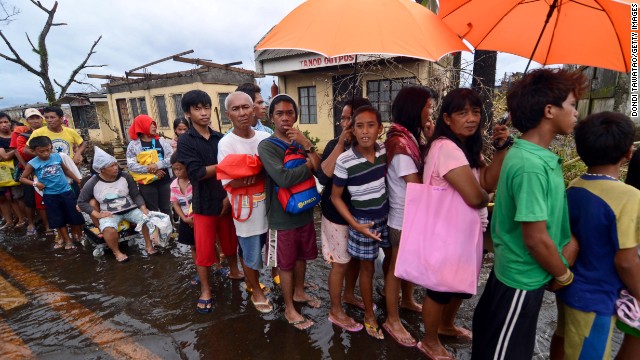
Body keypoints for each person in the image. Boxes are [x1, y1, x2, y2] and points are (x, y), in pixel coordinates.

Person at [471, 68, 587, 360]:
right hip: (521, 279)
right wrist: (563, 275)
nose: (576, 113)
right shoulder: (530, 166)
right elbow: (535, 238)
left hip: (520, 275)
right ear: (549, 110)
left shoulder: (529, 154)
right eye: (572, 105)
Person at [418, 88, 510, 358]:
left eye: (476, 112)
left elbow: (487, 181)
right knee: (439, 290)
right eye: (462, 113)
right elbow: (475, 196)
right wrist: (484, 195)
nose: (471, 118)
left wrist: (501, 148)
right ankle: (429, 340)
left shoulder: (466, 147)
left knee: (458, 285)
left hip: (466, 232)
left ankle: (446, 326)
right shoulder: (446, 148)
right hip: (446, 234)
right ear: (447, 118)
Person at [550, 112, 640, 360]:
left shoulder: (575, 185)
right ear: (628, 153)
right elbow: (626, 260)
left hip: (569, 285)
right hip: (596, 297)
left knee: (563, 337)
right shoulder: (629, 196)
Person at [258, 94, 321, 330]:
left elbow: (322, 168)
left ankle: (299, 292)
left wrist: (307, 146)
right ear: (272, 117)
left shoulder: (300, 142)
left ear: (296, 115)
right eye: (279, 114)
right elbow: (283, 179)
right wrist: (308, 165)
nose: (285, 118)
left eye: (290, 113)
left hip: (304, 211)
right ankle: (288, 307)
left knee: (302, 256)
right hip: (281, 217)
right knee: (285, 263)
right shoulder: (267, 146)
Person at [177, 90, 242, 314]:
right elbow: (196, 173)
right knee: (204, 250)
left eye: (206, 107)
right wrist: (229, 165)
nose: (204, 113)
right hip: (203, 204)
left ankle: (234, 271)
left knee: (229, 242)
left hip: (224, 198)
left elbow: (229, 172)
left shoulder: (220, 138)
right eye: (197, 109)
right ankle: (205, 290)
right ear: (187, 113)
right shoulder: (185, 141)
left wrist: (227, 194)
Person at [382, 86, 436, 347]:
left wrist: (429, 139)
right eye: (429, 107)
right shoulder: (400, 143)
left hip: (410, 215)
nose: (431, 111)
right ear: (415, 108)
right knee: (396, 269)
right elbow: (416, 184)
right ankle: (392, 320)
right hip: (403, 218)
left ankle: (406, 300)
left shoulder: (410, 138)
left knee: (404, 266)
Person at [332, 105, 390, 340]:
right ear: (352, 130)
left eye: (371, 125)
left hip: (387, 216)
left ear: (380, 129)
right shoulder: (345, 161)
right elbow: (336, 197)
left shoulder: (385, 151)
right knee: (366, 269)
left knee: (393, 260)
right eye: (359, 126)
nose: (365, 131)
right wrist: (355, 225)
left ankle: (390, 297)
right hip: (363, 222)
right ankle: (369, 314)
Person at [317, 97, 371, 333]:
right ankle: (336, 309)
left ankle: (349, 295)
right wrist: (341, 144)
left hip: (359, 215)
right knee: (339, 263)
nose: (346, 123)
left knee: (355, 259)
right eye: (343, 118)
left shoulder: (369, 147)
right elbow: (322, 176)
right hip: (336, 215)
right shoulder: (334, 145)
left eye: (352, 119)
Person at [218, 91, 272, 313]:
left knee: (268, 248)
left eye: (246, 107)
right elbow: (229, 182)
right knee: (250, 252)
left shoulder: (265, 139)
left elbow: (273, 172)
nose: (242, 113)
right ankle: (256, 290)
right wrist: (257, 172)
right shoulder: (226, 144)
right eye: (235, 109)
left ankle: (252, 282)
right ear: (227, 114)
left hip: (269, 207)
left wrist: (251, 174)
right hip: (246, 211)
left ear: (254, 109)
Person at [77, 147, 155, 262]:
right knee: (108, 229)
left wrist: (143, 208)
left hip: (130, 209)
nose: (116, 168)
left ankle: (149, 245)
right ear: (102, 169)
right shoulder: (93, 182)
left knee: (145, 219)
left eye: (116, 164)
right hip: (110, 213)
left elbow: (135, 194)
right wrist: (97, 215)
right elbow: (81, 201)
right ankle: (117, 252)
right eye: (112, 166)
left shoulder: (125, 176)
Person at [20, 136, 84, 250]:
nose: (46, 153)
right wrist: (36, 184)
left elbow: (66, 170)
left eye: (48, 150)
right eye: (41, 151)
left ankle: (77, 235)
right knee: (58, 219)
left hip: (66, 191)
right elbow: (23, 178)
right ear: (34, 151)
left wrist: (78, 181)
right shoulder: (32, 163)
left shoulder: (57, 157)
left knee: (74, 214)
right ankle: (67, 240)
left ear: (51, 148)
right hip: (50, 195)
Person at [126, 114, 173, 218]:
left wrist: (157, 165)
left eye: (154, 125)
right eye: (151, 124)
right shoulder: (133, 145)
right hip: (147, 183)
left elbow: (172, 158)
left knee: (166, 208)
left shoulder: (161, 141)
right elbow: (131, 165)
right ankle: (156, 232)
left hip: (164, 180)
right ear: (142, 126)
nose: (154, 127)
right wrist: (150, 169)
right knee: (152, 210)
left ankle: (169, 231)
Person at [12, 108, 49, 235]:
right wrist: (28, 167)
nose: (35, 121)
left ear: (41, 119)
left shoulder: (46, 133)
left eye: (37, 117)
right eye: (31, 118)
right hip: (31, 170)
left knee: (49, 196)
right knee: (30, 199)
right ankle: (31, 223)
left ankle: (50, 222)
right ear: (27, 121)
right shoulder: (23, 136)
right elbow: (21, 152)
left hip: (48, 168)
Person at [170, 152, 195, 277]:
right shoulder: (174, 185)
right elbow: (175, 204)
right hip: (186, 219)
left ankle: (217, 265)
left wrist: (193, 216)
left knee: (209, 244)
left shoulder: (195, 181)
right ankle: (200, 270)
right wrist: (184, 219)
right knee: (193, 246)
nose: (177, 172)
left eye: (180, 169)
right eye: (174, 169)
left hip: (198, 218)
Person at [0, 112, 26, 229]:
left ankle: (22, 218)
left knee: (19, 195)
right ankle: (11, 220)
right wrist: (16, 150)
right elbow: (4, 156)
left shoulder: (17, 134)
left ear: (10, 123)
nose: (4, 125)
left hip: (20, 169)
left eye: (6, 122)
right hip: (4, 172)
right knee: (7, 197)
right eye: (0, 123)